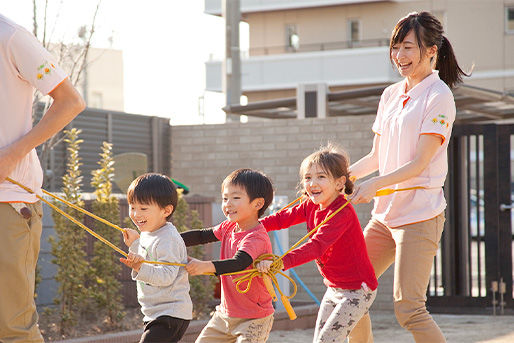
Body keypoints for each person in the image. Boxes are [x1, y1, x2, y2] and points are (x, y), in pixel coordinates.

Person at [347, 11, 469, 343]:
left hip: (420, 215)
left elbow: (419, 163)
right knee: (348, 294)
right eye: (395, 48)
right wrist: (338, 178)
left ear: (432, 50)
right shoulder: (390, 95)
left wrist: (374, 185)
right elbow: (376, 157)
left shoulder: (439, 96)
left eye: (407, 48)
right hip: (385, 216)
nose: (399, 57)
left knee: (409, 309)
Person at [0, 14, 85, 343]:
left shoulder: (12, 37)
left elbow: (71, 101)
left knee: (12, 326)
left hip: (8, 202)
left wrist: (11, 154)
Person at [257, 145, 378, 343]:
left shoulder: (341, 212)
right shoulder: (310, 205)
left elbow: (316, 246)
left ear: (340, 183)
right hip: (334, 289)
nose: (313, 183)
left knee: (327, 340)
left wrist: (280, 262)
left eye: (321, 177)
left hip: (357, 291)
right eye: (307, 177)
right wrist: (252, 226)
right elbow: (280, 219)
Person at [181, 168, 275, 343]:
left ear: (257, 204)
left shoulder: (256, 236)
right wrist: (170, 240)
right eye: (225, 198)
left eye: (236, 198)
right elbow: (202, 235)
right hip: (224, 316)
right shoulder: (228, 227)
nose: (228, 204)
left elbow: (239, 262)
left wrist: (205, 266)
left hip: (254, 318)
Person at [121, 173, 193, 343]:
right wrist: (135, 245)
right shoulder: (148, 233)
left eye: (143, 208)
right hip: (155, 313)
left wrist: (139, 267)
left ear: (166, 210)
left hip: (171, 313)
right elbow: (148, 259)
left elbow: (166, 275)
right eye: (132, 207)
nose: (136, 214)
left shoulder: (168, 238)